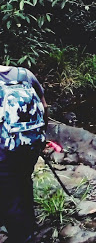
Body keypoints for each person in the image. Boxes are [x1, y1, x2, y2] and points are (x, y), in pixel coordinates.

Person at [0, 65, 48, 243]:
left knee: (8, 197)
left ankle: (23, 236)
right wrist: (41, 136)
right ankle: (29, 227)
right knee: (24, 182)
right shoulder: (24, 74)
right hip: (29, 145)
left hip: (4, 151)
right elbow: (43, 106)